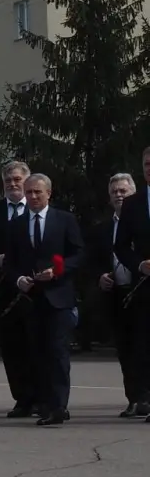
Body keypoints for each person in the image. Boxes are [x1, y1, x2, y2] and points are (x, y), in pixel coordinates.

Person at [4, 172, 84, 427]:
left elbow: (79, 254)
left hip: (59, 297)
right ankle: (46, 403)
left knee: (57, 351)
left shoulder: (64, 220)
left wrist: (58, 271)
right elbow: (11, 263)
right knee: (37, 352)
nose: (33, 197)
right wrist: (19, 280)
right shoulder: (17, 225)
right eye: (29, 192)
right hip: (31, 299)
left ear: (49, 193)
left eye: (38, 192)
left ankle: (59, 406)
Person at [0, 159, 37, 417]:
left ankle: (42, 397)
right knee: (11, 346)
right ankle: (22, 398)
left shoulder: (38, 208)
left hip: (36, 288)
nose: (13, 184)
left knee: (37, 343)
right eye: (8, 181)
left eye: (17, 180)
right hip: (3, 288)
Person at [92, 172, 142, 417]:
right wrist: (100, 276)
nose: (119, 196)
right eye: (115, 192)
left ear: (134, 193)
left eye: (124, 191)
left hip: (141, 292)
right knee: (125, 349)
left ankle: (146, 397)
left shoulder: (143, 220)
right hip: (116, 295)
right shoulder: (103, 228)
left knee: (144, 348)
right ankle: (134, 399)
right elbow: (93, 260)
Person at [113, 148, 150, 423]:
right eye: (147, 164)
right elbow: (121, 245)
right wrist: (139, 264)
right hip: (145, 286)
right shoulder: (133, 204)